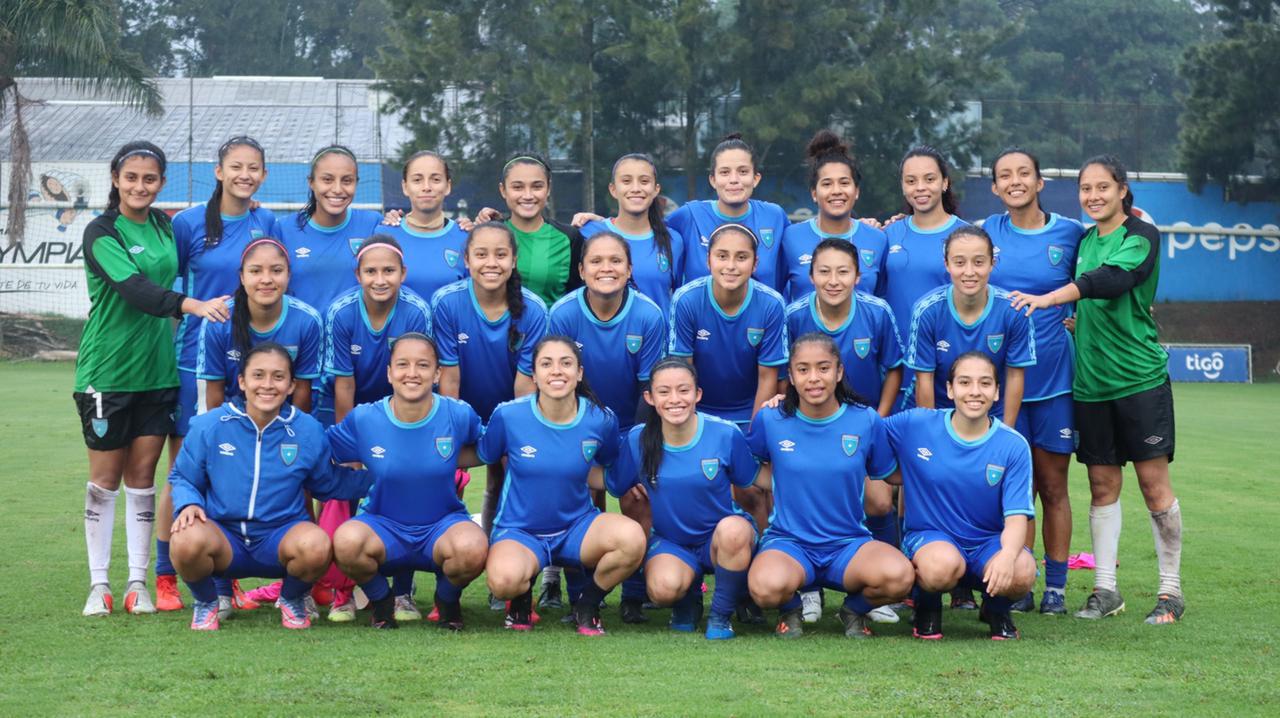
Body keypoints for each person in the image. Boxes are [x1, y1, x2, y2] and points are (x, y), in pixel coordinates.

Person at [1010, 154, 1185, 625]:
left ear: (1122, 190)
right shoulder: (1084, 239)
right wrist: (1075, 321)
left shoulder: (1141, 234)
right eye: (1086, 189)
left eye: (1102, 187)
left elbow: (1112, 282)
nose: (1093, 196)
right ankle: (1105, 590)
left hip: (1139, 380)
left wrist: (1051, 299)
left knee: (1153, 486)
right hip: (1089, 385)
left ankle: (1171, 592)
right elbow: (1091, 299)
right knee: (1101, 485)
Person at [75, 141, 231, 617]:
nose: (140, 186)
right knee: (104, 482)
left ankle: (137, 583)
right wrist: (190, 305)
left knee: (144, 480)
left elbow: (208, 241)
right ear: (116, 179)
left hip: (158, 374)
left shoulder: (167, 225)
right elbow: (136, 290)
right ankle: (99, 585)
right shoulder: (102, 232)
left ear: (160, 182)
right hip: (107, 375)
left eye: (149, 179)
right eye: (131, 178)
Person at [167, 343, 374, 631]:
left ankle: (291, 599)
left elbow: (327, 482)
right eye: (258, 375)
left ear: (290, 385)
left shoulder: (307, 429)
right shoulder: (209, 425)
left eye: (278, 377)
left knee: (317, 544)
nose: (267, 385)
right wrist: (189, 503)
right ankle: (206, 602)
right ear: (242, 381)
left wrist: (383, 478)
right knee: (184, 538)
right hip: (225, 539)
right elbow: (183, 476)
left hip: (280, 536)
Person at [158, 136, 277, 613]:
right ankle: (167, 572)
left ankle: (225, 577)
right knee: (186, 466)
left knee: (235, 467)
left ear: (263, 175)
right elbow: (171, 291)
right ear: (219, 171)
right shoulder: (187, 224)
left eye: (253, 168)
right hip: (195, 359)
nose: (245, 174)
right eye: (236, 167)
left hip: (250, 361)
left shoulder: (264, 221)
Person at [746, 334, 914, 639]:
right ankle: (791, 609)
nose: (814, 378)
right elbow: (748, 468)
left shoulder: (865, 420)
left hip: (848, 545)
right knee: (764, 587)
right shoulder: (771, 419)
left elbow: (890, 474)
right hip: (790, 543)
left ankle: (853, 610)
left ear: (838, 373)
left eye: (823, 368)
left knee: (900, 577)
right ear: (792, 377)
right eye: (803, 369)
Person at [479, 337, 645, 636]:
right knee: (503, 581)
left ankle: (587, 604)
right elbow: (489, 455)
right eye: (547, 364)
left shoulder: (601, 418)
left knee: (631, 539)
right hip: (520, 530)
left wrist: (630, 483)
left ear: (579, 373)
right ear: (534, 375)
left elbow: (603, 467)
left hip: (576, 527)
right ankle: (520, 599)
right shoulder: (508, 415)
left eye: (566, 363)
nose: (557, 371)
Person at [329, 333, 489, 630]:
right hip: (382, 525)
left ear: (437, 373)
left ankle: (447, 601)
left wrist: (452, 457)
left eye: (423, 365)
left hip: (441, 526)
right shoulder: (364, 418)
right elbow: (322, 454)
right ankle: (381, 600)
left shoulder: (458, 414)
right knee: (346, 541)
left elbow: (489, 448)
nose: (412, 373)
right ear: (389, 373)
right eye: (402, 364)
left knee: (473, 547)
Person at [782, 238, 905, 623]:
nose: (833, 280)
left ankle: (877, 594)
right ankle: (809, 589)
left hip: (862, 428)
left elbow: (895, 368)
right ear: (810, 275)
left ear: (858, 275)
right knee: (804, 503)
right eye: (824, 271)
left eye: (843, 271)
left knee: (881, 502)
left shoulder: (877, 312)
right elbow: (784, 372)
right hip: (808, 427)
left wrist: (878, 420)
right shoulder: (795, 315)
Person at [985, 147, 1085, 615]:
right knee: (1010, 491)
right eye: (1005, 175)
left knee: (1053, 486)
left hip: (1055, 383)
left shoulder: (1070, 234)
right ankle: (1019, 582)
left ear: (1040, 182)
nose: (1015, 181)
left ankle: (1057, 589)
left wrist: (1075, 319)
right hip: (1001, 388)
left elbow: (1095, 286)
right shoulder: (985, 232)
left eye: (1024, 173)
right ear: (995, 187)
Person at [548, 232, 667, 619]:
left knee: (636, 496)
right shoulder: (564, 314)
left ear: (629, 269)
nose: (606, 269)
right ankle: (580, 593)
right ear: (581, 270)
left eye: (616, 261)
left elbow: (648, 389)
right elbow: (561, 382)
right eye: (596, 261)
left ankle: (633, 595)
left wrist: (635, 451)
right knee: (580, 501)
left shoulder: (648, 314)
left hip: (633, 422)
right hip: (579, 422)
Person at [432, 221, 548, 610]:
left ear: (514, 261)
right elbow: (449, 379)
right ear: (466, 260)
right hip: (464, 410)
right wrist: (454, 437)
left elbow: (525, 386)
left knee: (508, 481)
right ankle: (443, 587)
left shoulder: (532, 309)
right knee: (447, 483)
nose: (491, 262)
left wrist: (512, 437)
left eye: (501, 254)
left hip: (512, 412)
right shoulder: (447, 303)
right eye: (481, 254)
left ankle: (512, 577)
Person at [884, 352, 1038, 640]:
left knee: (1022, 570)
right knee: (941, 565)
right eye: (965, 382)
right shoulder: (916, 424)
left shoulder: (1013, 445)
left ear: (996, 392)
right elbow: (864, 428)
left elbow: (1017, 517)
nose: (975, 392)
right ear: (950, 389)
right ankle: (927, 606)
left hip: (986, 543)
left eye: (985, 383)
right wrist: (787, 405)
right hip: (932, 539)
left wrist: (1006, 556)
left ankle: (996, 608)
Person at [605, 359, 760, 639]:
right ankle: (688, 601)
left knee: (734, 529)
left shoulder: (725, 433)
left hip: (719, 539)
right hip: (672, 542)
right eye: (664, 392)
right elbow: (613, 485)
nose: (674, 399)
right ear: (650, 398)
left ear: (697, 394)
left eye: (683, 390)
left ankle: (721, 616)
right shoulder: (637, 440)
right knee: (662, 589)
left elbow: (755, 481)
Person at [669, 223, 788, 533]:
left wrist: (751, 437)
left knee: (752, 491)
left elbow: (768, 378)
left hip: (749, 412)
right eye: (722, 256)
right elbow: (683, 376)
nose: (731, 266)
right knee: (692, 487)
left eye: (741, 257)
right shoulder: (687, 300)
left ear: (756, 263)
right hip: (700, 412)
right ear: (708, 260)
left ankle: (763, 564)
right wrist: (694, 429)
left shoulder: (772, 304)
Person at [905, 225, 1036, 427]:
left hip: (993, 415)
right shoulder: (926, 311)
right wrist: (932, 436)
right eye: (959, 262)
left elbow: (1015, 377)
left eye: (978, 262)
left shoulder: (1014, 311)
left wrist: (1004, 433)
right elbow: (924, 381)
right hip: (940, 413)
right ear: (946, 265)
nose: (969, 272)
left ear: (992, 263)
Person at [881, 146, 969, 414]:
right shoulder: (887, 235)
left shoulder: (967, 236)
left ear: (945, 182)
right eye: (911, 181)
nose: (920, 187)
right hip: (895, 368)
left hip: (949, 365)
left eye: (929, 179)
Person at [195, 238, 322, 413]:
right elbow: (215, 393)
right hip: (232, 421)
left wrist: (289, 433)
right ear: (242, 277)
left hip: (284, 421)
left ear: (288, 275)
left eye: (277, 271)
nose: (266, 279)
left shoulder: (307, 320)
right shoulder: (218, 320)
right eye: (255, 271)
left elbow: (302, 390)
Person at [323, 235, 432, 426]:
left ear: (403, 273)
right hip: (351, 402)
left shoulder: (417, 312)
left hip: (400, 405)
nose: (380, 280)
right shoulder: (340, 312)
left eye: (389, 270)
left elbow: (416, 379)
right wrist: (347, 439)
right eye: (370, 271)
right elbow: (345, 385)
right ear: (358, 275)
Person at [665, 133, 789, 291]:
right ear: (713, 180)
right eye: (724, 172)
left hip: (762, 315)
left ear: (756, 178)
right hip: (701, 316)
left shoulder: (774, 216)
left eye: (743, 172)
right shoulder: (689, 215)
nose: (734, 179)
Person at [780, 130, 889, 303]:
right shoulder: (790, 237)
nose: (836, 191)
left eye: (844, 183)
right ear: (814, 193)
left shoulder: (878, 239)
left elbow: (882, 297)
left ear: (857, 191)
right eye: (827, 184)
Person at [273, 144, 384, 312]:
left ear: (356, 183)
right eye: (327, 180)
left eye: (347, 181)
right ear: (311, 182)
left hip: (352, 337)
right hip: (302, 336)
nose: (337, 189)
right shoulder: (283, 229)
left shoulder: (373, 224)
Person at [578, 153, 686, 320]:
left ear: (656, 189)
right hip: (602, 342)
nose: (636, 188)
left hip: (657, 343)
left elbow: (680, 299)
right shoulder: (588, 233)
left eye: (644, 181)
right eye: (626, 181)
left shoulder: (673, 241)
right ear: (613, 189)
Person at [473, 152, 584, 306]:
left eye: (537, 186)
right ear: (503, 190)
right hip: (498, 329)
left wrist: (598, 221)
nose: (528, 195)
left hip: (551, 330)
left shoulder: (569, 238)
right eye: (517, 187)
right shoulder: (487, 234)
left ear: (549, 188)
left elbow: (580, 297)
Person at [382, 151, 469, 301]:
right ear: (405, 186)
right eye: (417, 180)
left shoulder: (466, 237)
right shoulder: (384, 236)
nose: (426, 187)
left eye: (435, 179)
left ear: (448, 186)